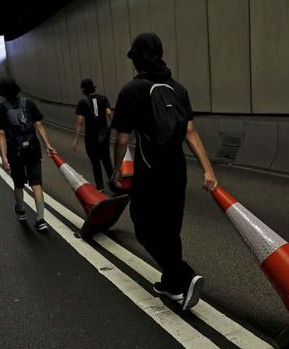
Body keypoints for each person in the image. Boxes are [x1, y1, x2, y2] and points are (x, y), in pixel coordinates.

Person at [110, 33, 219, 311]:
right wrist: (208, 170)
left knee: (144, 226)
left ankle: (184, 274)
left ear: (137, 59)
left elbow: (122, 138)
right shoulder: (178, 89)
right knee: (170, 229)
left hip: (150, 169)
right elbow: (191, 132)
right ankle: (171, 285)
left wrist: (116, 171)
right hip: (177, 169)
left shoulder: (130, 91)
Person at [0, 78, 56, 232]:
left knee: (18, 183)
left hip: (15, 151)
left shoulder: (0, 109)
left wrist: (3, 156)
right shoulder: (29, 104)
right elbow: (39, 124)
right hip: (33, 148)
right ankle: (41, 219)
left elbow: (1, 134)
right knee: (36, 183)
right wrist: (47, 145)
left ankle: (21, 210)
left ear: (2, 93)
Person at [72, 78, 113, 192]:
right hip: (103, 136)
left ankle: (100, 187)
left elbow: (80, 121)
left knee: (95, 162)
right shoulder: (103, 98)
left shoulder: (82, 102)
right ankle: (113, 183)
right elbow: (109, 113)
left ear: (84, 90)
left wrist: (76, 139)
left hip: (91, 137)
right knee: (107, 160)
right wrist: (112, 127)